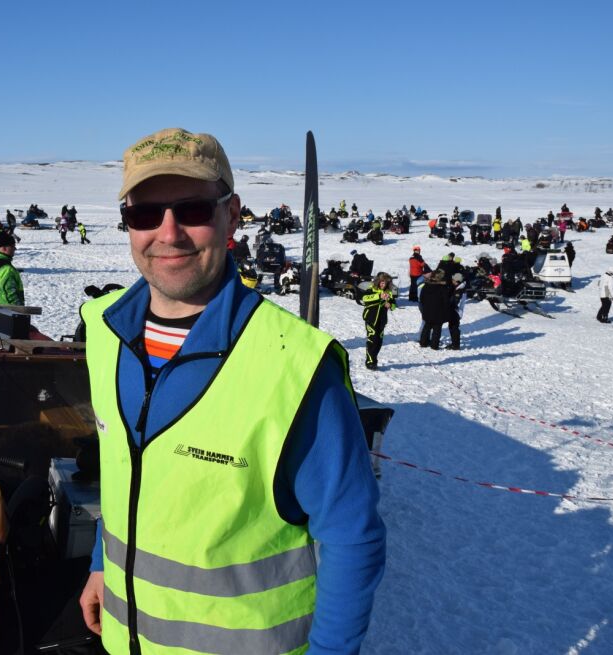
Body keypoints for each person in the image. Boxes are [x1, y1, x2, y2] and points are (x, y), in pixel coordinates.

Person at [78, 128, 384, 654]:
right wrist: (101, 564)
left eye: (193, 209)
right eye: (145, 215)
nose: (168, 234)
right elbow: (126, 469)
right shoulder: (104, 334)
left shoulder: (294, 365)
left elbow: (352, 535)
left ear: (232, 214)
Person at [362, 272, 395, 370]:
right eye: (381, 282)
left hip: (382, 320)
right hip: (371, 318)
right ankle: (370, 362)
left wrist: (390, 305)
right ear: (378, 282)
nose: (383, 285)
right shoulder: (371, 289)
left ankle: (374, 359)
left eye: (385, 283)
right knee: (372, 340)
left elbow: (394, 304)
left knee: (378, 342)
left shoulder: (389, 292)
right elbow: (364, 298)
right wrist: (378, 297)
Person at [0, 233, 24, 306]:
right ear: (4, 248)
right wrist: (20, 312)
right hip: (7, 311)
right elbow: (10, 296)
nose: (15, 249)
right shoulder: (6, 269)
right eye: (12, 246)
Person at [419, 269, 451, 349]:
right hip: (438, 312)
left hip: (427, 310)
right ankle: (434, 345)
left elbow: (421, 298)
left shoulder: (426, 285)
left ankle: (423, 343)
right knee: (437, 328)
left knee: (427, 326)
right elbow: (446, 301)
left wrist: (425, 307)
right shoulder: (442, 288)